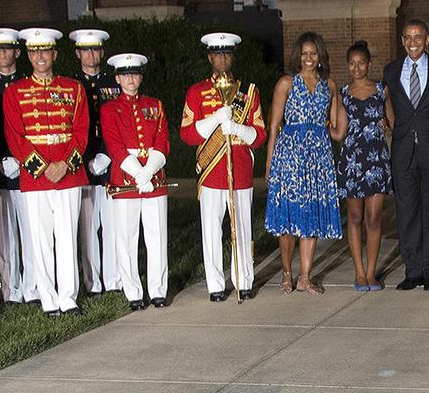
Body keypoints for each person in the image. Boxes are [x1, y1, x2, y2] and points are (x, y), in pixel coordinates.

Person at [4, 28, 89, 317]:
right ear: (28, 55)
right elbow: (15, 136)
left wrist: (65, 165)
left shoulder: (73, 88)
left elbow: (81, 130)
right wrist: (41, 168)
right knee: (40, 239)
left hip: (68, 173)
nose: (40, 56)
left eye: (46, 51)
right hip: (36, 176)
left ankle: (68, 297)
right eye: (34, 51)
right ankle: (48, 299)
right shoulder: (14, 93)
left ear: (54, 54)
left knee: (67, 235)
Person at [180, 32, 266, 302]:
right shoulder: (196, 92)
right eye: (217, 54)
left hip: (239, 170)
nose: (223, 58)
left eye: (227, 53)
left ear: (233, 57)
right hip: (211, 171)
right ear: (209, 57)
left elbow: (260, 135)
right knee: (211, 229)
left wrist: (238, 127)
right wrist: (214, 121)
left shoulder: (248, 92)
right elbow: (187, 134)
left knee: (241, 228)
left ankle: (244, 280)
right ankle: (215, 284)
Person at [265, 32, 346, 295]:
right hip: (289, 156)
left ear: (320, 55)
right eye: (304, 53)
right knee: (289, 218)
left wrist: (344, 102)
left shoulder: (330, 86)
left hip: (319, 157)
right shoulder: (286, 83)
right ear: (297, 56)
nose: (309, 58)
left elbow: (336, 131)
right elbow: (275, 126)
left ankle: (305, 277)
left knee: (310, 218)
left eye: (313, 53)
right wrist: (269, 166)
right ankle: (287, 274)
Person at [382, 19, 429, 291]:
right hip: (403, 151)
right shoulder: (391, 70)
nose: (413, 42)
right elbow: (386, 101)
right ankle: (413, 269)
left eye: (418, 37)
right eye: (408, 37)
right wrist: (390, 125)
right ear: (402, 40)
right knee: (407, 211)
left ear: (428, 39)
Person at [100, 53, 169, 311]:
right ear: (117, 78)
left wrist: (149, 171)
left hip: (154, 179)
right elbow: (115, 146)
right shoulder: (109, 109)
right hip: (126, 180)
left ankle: (158, 290)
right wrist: (138, 174)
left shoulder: (155, 104)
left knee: (157, 237)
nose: (131, 79)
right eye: (125, 75)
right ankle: (133, 292)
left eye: (135, 74)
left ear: (141, 76)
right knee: (126, 239)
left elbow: (162, 141)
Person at [336, 40, 393, 291]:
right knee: (355, 217)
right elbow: (338, 131)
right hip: (352, 161)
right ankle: (359, 273)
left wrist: (387, 127)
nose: (356, 67)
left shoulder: (382, 90)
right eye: (352, 63)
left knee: (373, 218)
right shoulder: (343, 94)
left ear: (369, 64)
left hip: (377, 160)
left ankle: (371, 273)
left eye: (361, 63)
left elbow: (393, 123)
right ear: (348, 66)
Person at [0, 27, 37, 307]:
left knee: (31, 231)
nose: (3, 54)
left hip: (28, 165)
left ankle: (32, 287)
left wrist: (22, 159)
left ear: (18, 52)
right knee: (5, 234)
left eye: (8, 49)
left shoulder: (28, 82)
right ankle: (12, 290)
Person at [70, 29, 121, 296]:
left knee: (112, 225)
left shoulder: (115, 82)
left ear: (102, 52)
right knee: (88, 228)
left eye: (95, 49)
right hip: (82, 165)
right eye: (85, 50)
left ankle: (113, 279)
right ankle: (92, 282)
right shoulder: (69, 85)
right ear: (78, 53)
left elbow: (121, 123)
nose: (91, 55)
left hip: (109, 163)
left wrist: (107, 153)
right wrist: (86, 158)